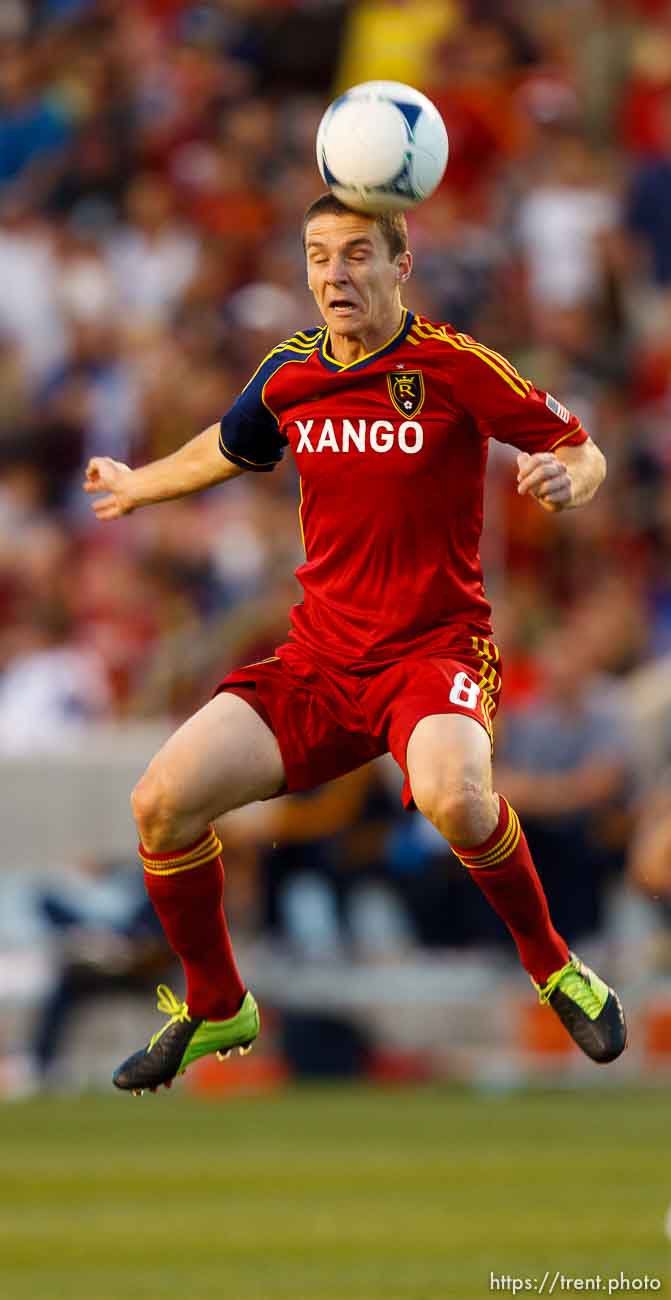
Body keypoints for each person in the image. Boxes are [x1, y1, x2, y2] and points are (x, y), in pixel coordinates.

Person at [84, 193, 627, 1094]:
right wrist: (141, 485)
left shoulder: (453, 365)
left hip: (434, 652)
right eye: (318, 255)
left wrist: (564, 481)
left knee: (457, 797)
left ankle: (553, 966)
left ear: (398, 266)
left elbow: (581, 449)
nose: (334, 274)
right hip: (319, 664)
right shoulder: (290, 371)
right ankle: (219, 1003)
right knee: (160, 804)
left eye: (356, 255)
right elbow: (229, 444)